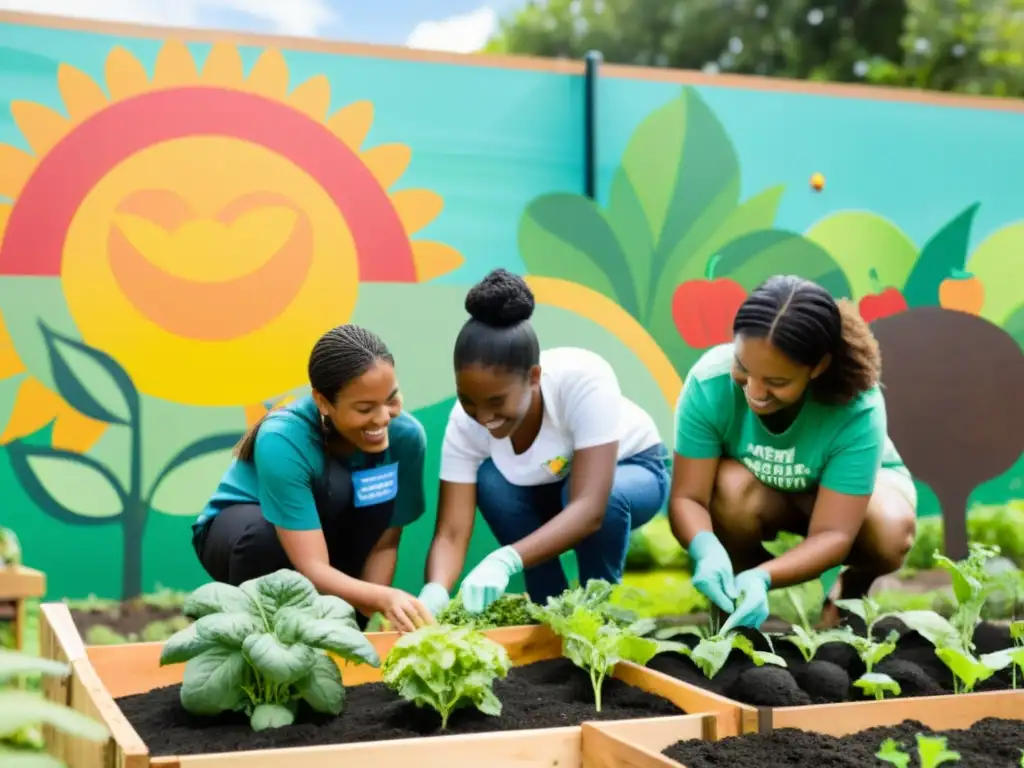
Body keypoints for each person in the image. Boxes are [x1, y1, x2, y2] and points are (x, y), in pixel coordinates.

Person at [669, 274, 917, 633]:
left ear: (818, 367)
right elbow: (688, 498)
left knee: (889, 532)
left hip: (850, 498)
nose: (754, 391)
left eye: (777, 381)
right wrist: (706, 548)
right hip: (762, 492)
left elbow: (834, 532)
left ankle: (849, 592)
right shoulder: (709, 383)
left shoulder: (856, 406)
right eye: (743, 366)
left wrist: (765, 578)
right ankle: (735, 592)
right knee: (727, 489)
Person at [417, 268, 672, 616]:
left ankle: (599, 613)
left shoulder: (582, 379)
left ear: (534, 377)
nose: (482, 416)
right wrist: (435, 589)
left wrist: (506, 559)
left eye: (496, 402)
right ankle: (547, 609)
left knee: (596, 499)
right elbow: (450, 531)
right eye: (468, 400)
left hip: (631, 473)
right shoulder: (465, 425)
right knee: (492, 481)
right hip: (550, 485)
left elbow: (589, 508)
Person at [190, 324, 435, 632]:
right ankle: (257, 636)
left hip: (327, 530)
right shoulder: (282, 437)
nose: (384, 417)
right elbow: (312, 566)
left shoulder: (406, 438)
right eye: (364, 408)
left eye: (392, 398)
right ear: (322, 402)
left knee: (364, 512)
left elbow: (384, 544)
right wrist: (385, 597)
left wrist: (366, 618)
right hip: (247, 534)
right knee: (264, 540)